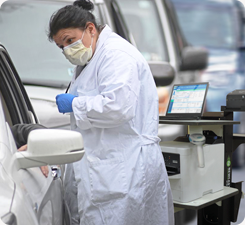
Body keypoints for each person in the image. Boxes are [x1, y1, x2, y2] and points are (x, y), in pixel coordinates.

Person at [48, 0, 174, 224]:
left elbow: (117, 107)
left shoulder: (116, 56)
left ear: (90, 29)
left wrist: (76, 103)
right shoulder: (92, 57)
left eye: (70, 40)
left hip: (124, 169)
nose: (67, 50)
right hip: (107, 168)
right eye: (61, 47)